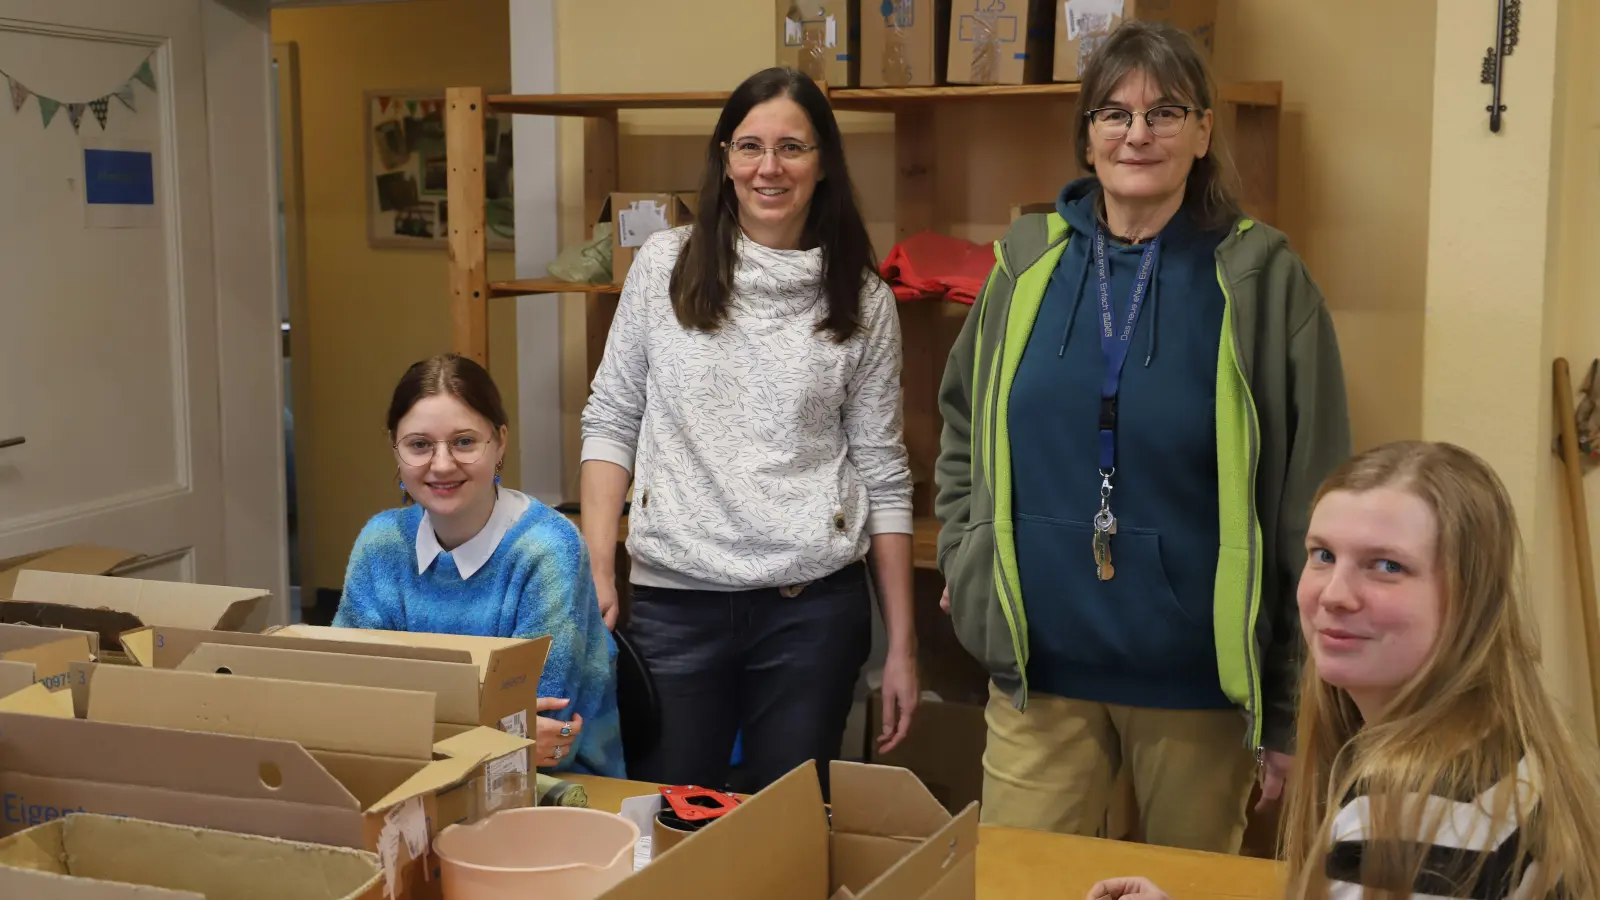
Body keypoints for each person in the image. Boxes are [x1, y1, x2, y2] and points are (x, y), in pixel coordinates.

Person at [934, 19, 1350, 851]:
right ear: (1086, 136)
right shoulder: (1022, 264)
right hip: (1039, 677)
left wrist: (1288, 703)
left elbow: (1316, 501)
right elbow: (960, 430)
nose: (1138, 134)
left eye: (1166, 111)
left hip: (1199, 687)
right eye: (1114, 113)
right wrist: (964, 553)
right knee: (1017, 883)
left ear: (1202, 132)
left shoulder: (1264, 278)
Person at [579, 66, 918, 796]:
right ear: (724, 158)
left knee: (788, 830)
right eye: (750, 147)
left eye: (792, 147)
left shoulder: (861, 299)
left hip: (812, 614)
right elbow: (612, 417)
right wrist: (600, 565)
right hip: (675, 604)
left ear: (823, 162)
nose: (770, 168)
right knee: (672, 824)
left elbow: (885, 473)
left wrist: (903, 649)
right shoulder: (664, 267)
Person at [1089, 441, 1600, 899]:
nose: (1334, 595)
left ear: (1470, 598)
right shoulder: (1491, 738)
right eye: (1324, 555)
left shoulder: (1418, 806)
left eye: (1387, 566)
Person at [336, 354, 624, 778]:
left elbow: (540, 718)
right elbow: (347, 691)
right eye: (419, 445)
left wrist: (404, 722)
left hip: (553, 783)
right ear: (394, 449)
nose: (442, 464)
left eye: (464, 441)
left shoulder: (549, 548)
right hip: (411, 771)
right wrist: (490, 729)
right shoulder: (381, 543)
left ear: (500, 442)